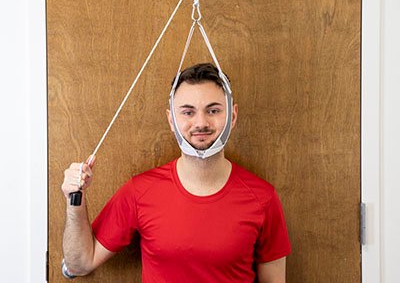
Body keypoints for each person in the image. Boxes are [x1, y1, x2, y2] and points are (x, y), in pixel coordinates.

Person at [61, 63, 291, 282]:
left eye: (213, 110)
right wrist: (74, 201)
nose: (201, 123)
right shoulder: (139, 192)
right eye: (188, 112)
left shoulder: (263, 198)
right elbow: (80, 264)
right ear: (171, 120)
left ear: (233, 116)